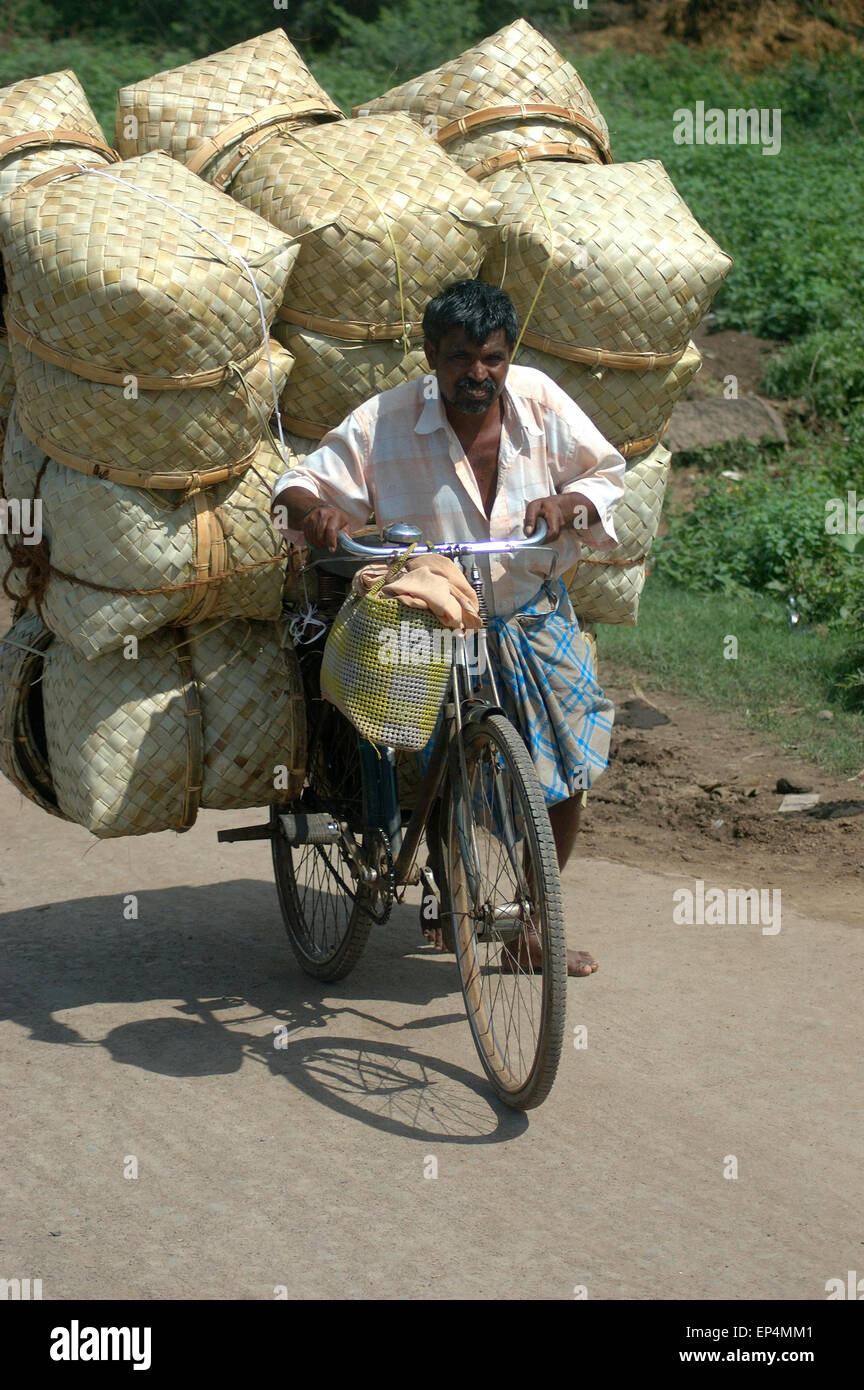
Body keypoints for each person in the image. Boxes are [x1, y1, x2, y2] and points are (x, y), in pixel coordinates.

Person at [271, 280, 624, 977]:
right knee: (430, 763)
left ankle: (531, 922)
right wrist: (317, 514)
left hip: (530, 614)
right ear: (432, 354)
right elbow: (298, 485)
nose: (478, 374)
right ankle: (439, 878)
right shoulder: (386, 419)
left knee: (570, 769)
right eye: (461, 358)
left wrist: (571, 503)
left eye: (492, 358)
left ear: (508, 354)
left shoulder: (543, 402)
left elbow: (607, 476)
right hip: (427, 624)